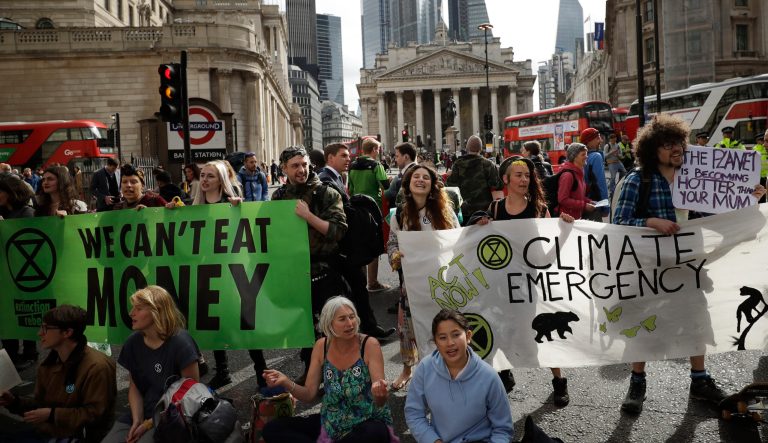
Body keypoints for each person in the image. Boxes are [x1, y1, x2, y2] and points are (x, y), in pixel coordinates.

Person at [612, 114, 765, 414]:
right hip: (650, 269)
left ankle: (700, 380)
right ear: (652, 150)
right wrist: (651, 222)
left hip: (689, 265)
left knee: (696, 319)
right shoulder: (638, 180)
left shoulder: (694, 177)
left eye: (678, 143)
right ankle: (637, 382)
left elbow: (716, 214)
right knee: (643, 324)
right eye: (667, 145)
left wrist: (749, 198)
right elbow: (619, 223)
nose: (676, 149)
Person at [472, 156, 575, 405]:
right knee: (500, 329)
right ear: (506, 179)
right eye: (518, 175)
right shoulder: (495, 208)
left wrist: (564, 230)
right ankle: (504, 372)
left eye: (527, 175)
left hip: (529, 284)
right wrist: (479, 224)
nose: (524, 179)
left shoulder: (539, 210)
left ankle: (559, 380)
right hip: (500, 285)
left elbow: (548, 250)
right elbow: (482, 246)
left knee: (540, 334)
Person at [261, 296, 394, 443]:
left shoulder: (369, 345)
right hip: (331, 421)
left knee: (374, 432)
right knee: (273, 429)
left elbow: (380, 401)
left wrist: (380, 393)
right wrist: (285, 381)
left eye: (352, 317)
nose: (350, 323)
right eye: (342, 319)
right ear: (329, 323)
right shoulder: (321, 346)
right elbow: (309, 394)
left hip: (366, 421)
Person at [167, 160, 247, 389]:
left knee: (244, 320)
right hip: (206, 271)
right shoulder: (194, 206)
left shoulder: (231, 202)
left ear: (221, 180)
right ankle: (223, 370)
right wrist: (171, 211)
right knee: (214, 321)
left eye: (210, 176)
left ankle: (260, 369)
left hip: (230, 271)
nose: (204, 180)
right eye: (202, 175)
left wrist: (239, 207)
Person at [272, 146, 348, 382]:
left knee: (332, 325)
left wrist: (308, 216)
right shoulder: (279, 197)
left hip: (325, 270)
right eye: (295, 165)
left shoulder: (327, 193)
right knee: (305, 328)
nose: (301, 170)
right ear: (284, 169)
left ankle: (339, 373)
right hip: (295, 273)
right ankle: (312, 372)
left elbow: (338, 231)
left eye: (304, 164)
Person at [388, 165, 460, 391]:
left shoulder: (444, 212)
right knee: (407, 329)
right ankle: (407, 370)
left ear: (432, 185)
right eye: (416, 177)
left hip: (442, 282)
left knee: (441, 326)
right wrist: (395, 256)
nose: (420, 180)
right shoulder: (399, 214)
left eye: (425, 177)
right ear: (408, 184)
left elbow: (459, 240)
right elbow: (392, 243)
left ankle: (447, 369)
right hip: (412, 284)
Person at [0, 305, 117, 443]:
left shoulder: (97, 367)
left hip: (77, 437)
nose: (40, 333)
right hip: (48, 431)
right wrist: (14, 402)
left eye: (46, 328)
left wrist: (52, 415)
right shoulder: (50, 363)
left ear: (67, 332)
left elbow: (95, 415)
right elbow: (41, 405)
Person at [101, 286, 200, 443]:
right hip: (144, 413)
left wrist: (148, 424)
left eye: (138, 308)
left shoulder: (181, 343)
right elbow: (135, 387)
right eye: (133, 307)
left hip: (174, 417)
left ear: (157, 311)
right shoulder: (133, 343)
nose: (131, 313)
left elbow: (191, 396)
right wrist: (137, 420)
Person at [317, 143, 395, 340]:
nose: (348, 159)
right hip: (337, 245)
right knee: (351, 288)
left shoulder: (336, 176)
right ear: (330, 158)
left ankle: (367, 327)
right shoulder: (325, 179)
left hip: (343, 244)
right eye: (343, 155)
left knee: (357, 286)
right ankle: (360, 330)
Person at [404, 309, 513, 443]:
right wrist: (433, 440)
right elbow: (414, 413)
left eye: (456, 335)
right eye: (442, 337)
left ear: (468, 336)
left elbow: (503, 429)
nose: (450, 343)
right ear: (435, 342)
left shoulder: (489, 376)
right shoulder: (425, 368)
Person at [0, 173, 38, 369]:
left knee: (24, 312)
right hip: (4, 274)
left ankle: (30, 352)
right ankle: (10, 355)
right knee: (6, 313)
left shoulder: (27, 213)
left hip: (23, 273)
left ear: (11, 192)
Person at [348, 138, 391, 292]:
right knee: (374, 244)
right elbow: (385, 186)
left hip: (356, 208)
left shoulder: (352, 165)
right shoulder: (376, 165)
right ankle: (372, 283)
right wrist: (389, 180)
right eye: (377, 149)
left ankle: (361, 283)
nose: (378, 152)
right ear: (373, 150)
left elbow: (350, 189)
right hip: (373, 208)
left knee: (360, 244)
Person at [446, 135, 504, 223]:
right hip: (484, 210)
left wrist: (449, 175)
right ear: (480, 149)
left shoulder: (458, 164)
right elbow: (497, 185)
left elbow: (451, 185)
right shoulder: (488, 164)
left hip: (464, 209)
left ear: (467, 148)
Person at [556, 143, 596, 219]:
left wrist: (588, 201)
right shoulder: (568, 175)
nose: (586, 156)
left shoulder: (578, 172)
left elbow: (577, 196)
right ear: (574, 157)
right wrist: (584, 205)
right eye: (583, 154)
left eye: (586, 154)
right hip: (566, 219)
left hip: (574, 217)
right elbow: (563, 199)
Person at [581, 128, 608, 221]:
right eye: (597, 138)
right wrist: (605, 206)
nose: (601, 140)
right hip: (593, 204)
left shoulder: (578, 156)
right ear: (588, 142)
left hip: (581, 203)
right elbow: (600, 184)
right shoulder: (596, 156)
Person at [384, 142, 418, 208]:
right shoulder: (417, 169)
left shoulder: (405, 175)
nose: (395, 159)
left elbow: (388, 194)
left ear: (406, 157)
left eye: (397, 156)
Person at [754, 133, 767, 203]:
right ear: (757, 141)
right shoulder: (755, 148)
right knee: (759, 194)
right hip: (758, 176)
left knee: (764, 194)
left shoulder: (765, 149)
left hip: (765, 175)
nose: (762, 142)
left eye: (762, 140)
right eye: (760, 140)